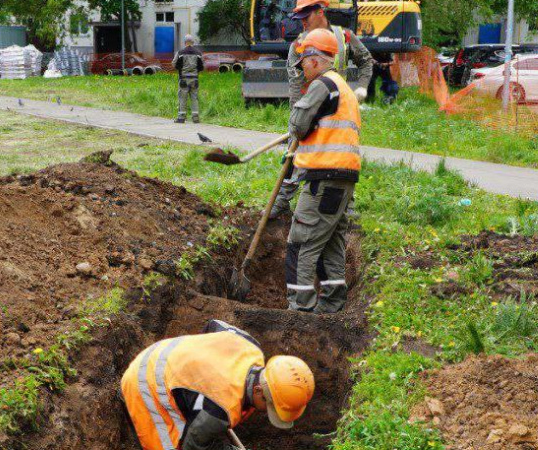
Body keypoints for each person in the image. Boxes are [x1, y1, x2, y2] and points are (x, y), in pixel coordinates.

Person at [121, 320, 315, 450]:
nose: (267, 411)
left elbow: (214, 325)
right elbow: (192, 446)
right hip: (146, 383)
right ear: (258, 391)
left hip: (164, 352)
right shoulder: (219, 409)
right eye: (270, 406)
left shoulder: (250, 347)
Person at [270, 0, 371, 219]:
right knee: (295, 154)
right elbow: (295, 84)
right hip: (309, 108)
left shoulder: (343, 37)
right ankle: (281, 201)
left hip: (338, 110)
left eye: (306, 18)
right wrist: (296, 118)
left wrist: (361, 88)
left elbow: (366, 61)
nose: (303, 23)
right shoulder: (298, 45)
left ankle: (346, 208)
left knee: (342, 156)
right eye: (300, 19)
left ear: (320, 12)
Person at [284, 29, 361, 314]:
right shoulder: (343, 87)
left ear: (316, 59)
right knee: (330, 241)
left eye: (303, 60)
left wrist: (297, 127)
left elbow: (298, 125)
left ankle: (299, 307)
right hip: (342, 179)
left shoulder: (322, 86)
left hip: (323, 179)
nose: (302, 67)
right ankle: (332, 303)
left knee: (301, 241)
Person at [172, 35, 204, 124]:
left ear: (185, 42)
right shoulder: (198, 53)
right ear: (193, 42)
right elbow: (202, 66)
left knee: (182, 98)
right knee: (194, 98)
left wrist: (181, 69)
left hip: (183, 79)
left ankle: (181, 118)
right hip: (195, 79)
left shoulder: (180, 53)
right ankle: (196, 118)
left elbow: (174, 64)